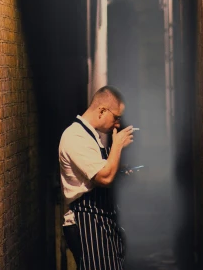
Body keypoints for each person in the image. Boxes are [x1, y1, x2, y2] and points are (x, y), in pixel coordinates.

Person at [58, 85, 136, 270]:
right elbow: (104, 178)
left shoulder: (91, 136)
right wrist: (117, 145)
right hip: (87, 222)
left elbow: (104, 171)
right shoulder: (76, 136)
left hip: (99, 220)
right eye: (116, 117)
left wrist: (121, 171)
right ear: (102, 110)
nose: (117, 124)